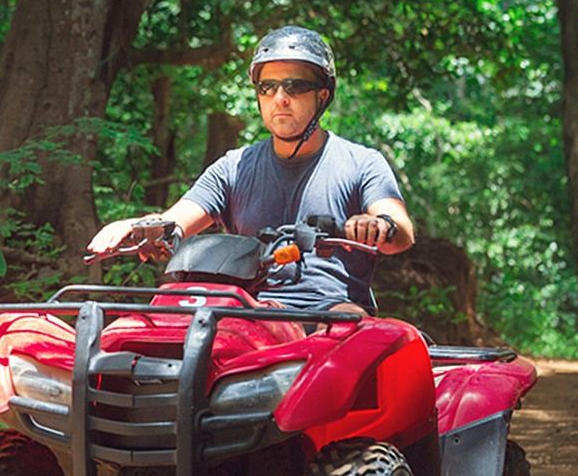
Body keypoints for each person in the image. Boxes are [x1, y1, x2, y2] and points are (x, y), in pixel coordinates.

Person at [87, 25, 414, 315]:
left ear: (322, 95)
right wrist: (140, 227)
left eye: (295, 87)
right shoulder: (234, 167)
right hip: (247, 311)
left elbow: (401, 231)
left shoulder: (360, 162)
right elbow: (176, 221)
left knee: (354, 336)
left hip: (329, 312)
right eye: (267, 87)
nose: (280, 98)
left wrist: (377, 225)